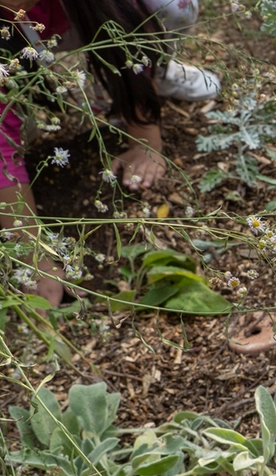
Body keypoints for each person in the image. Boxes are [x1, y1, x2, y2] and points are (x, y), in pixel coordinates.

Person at [1, 0, 221, 306]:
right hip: (19, 42)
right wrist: (34, 255)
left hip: (79, 15)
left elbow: (124, 20)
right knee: (14, 122)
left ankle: (152, 72)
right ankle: (26, 106)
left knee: (167, 7)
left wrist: (146, 137)